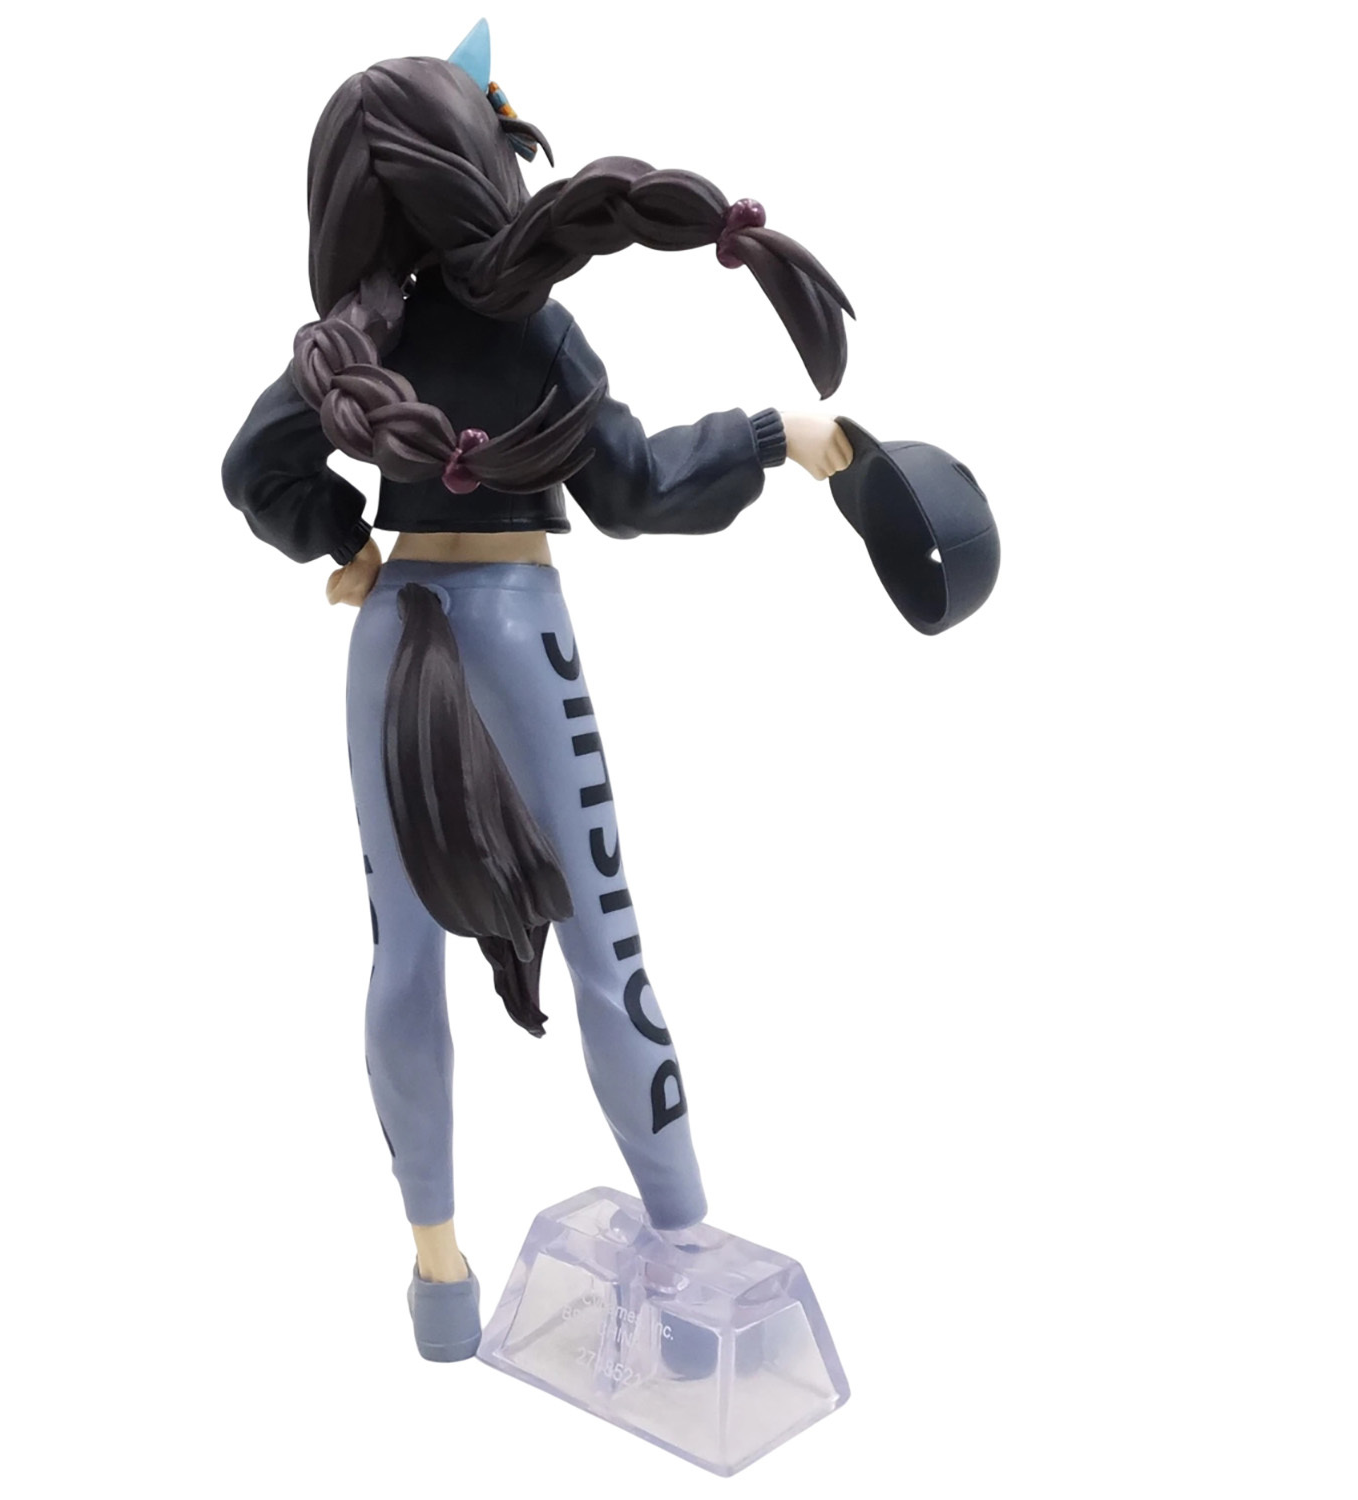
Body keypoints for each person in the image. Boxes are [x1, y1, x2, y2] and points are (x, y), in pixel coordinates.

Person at [222, 36, 854, 1363]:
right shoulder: (534, 333)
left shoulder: (357, 345)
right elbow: (634, 490)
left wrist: (345, 545)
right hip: (518, 625)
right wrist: (767, 436)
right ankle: (685, 1269)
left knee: (402, 956)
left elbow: (255, 465)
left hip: (391, 632)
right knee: (604, 944)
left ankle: (439, 1283)